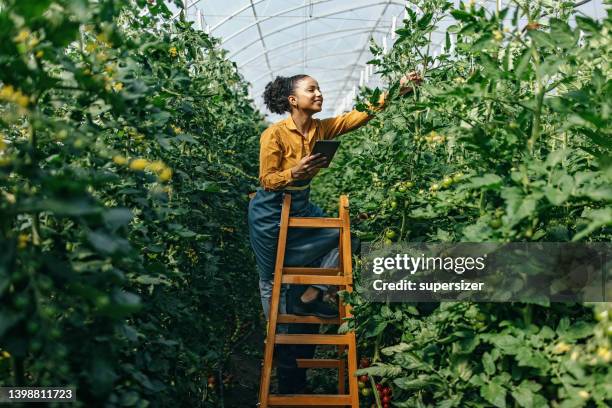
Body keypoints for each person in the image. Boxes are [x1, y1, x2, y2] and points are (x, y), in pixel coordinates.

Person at [249, 71, 421, 393]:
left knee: (346, 237)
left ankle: (311, 294)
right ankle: (288, 372)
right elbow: (266, 180)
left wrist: (396, 92)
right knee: (275, 280)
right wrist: (294, 172)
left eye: (319, 89)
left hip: (301, 206)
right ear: (292, 100)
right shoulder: (274, 135)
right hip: (271, 213)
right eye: (311, 90)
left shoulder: (321, 129)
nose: (318, 94)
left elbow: (359, 116)